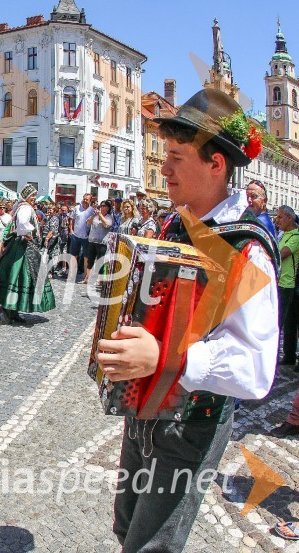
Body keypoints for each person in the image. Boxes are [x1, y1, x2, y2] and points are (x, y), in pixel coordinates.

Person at [97, 89, 280, 552]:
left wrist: (164, 356)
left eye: (177, 157)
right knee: (127, 527)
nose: (164, 167)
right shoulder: (177, 225)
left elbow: (255, 367)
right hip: (145, 407)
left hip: (192, 419)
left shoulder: (246, 247)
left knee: (153, 543)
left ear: (216, 164)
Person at [0, 184, 56, 324]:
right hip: (22, 246)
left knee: (19, 277)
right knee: (19, 276)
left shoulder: (22, 206)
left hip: (21, 244)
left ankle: (13, 310)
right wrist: (28, 234)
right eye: (32, 196)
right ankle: (8, 309)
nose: (34, 198)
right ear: (27, 197)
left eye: (34, 196)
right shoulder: (25, 207)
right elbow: (23, 224)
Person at [272, 205, 299, 369]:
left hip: (287, 285)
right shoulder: (284, 234)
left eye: (281, 217)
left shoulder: (295, 236)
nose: (277, 220)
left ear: (290, 218)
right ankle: (288, 356)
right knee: (288, 323)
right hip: (279, 283)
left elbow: (280, 254)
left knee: (278, 324)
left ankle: (273, 360)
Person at [84, 200, 114, 285]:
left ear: (108, 208)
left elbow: (107, 225)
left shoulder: (109, 217)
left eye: (104, 206)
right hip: (92, 240)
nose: (102, 207)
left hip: (102, 242)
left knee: (100, 261)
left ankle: (99, 279)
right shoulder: (95, 216)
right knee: (90, 260)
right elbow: (88, 223)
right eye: (101, 206)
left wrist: (100, 215)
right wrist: (93, 215)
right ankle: (87, 277)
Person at [69, 194, 94, 282]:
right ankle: (72, 275)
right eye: (84, 199)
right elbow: (72, 219)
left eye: (87, 199)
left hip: (86, 237)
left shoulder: (92, 210)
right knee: (73, 255)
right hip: (76, 235)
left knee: (86, 257)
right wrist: (71, 230)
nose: (85, 200)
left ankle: (85, 276)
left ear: (90, 201)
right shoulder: (76, 208)